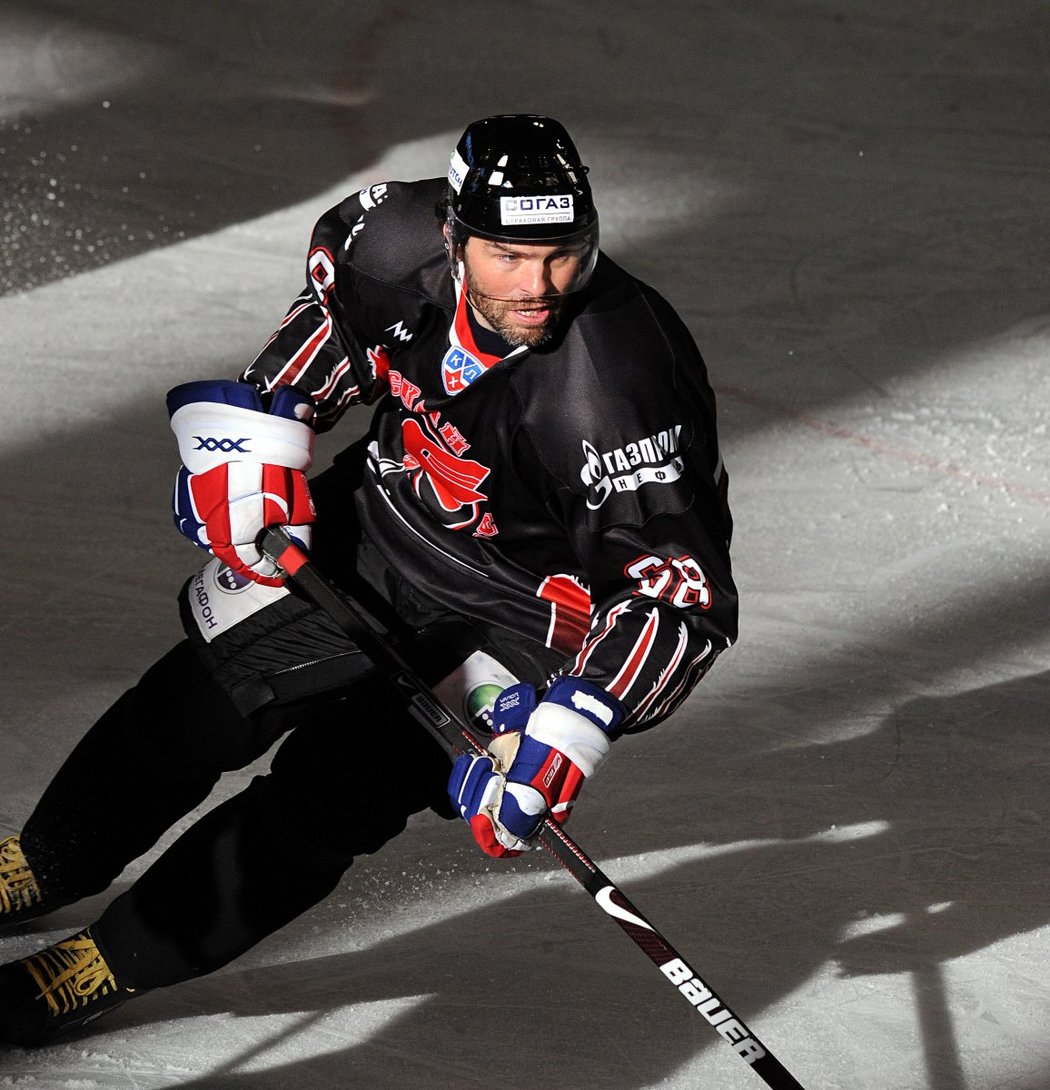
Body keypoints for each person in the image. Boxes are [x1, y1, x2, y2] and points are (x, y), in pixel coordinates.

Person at [0, 114, 737, 1046]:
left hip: (526, 623)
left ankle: (113, 959)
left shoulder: (616, 387)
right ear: (453, 235)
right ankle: (50, 860)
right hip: (384, 529)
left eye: (563, 255)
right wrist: (261, 437)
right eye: (510, 255)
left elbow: (677, 594)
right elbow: (339, 332)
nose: (540, 286)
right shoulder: (385, 240)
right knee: (196, 701)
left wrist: (576, 719)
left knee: (328, 800)